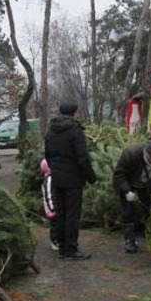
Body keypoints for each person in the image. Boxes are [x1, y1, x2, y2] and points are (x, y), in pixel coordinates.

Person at [45, 101, 97, 260]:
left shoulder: (51, 131)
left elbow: (47, 155)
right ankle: (72, 249)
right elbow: (83, 158)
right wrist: (91, 178)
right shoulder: (75, 131)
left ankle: (62, 248)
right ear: (74, 113)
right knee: (72, 215)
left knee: (60, 214)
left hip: (57, 179)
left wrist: (55, 170)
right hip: (73, 180)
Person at [112, 139, 151, 253]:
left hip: (147, 187)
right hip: (129, 184)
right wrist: (126, 191)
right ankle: (130, 240)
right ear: (145, 151)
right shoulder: (130, 153)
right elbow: (119, 175)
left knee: (149, 211)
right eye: (150, 156)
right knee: (128, 213)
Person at [40, 158, 60, 251]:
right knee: (54, 225)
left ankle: (58, 240)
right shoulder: (49, 179)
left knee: (56, 224)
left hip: (53, 207)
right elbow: (49, 195)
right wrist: (53, 208)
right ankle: (55, 241)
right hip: (52, 208)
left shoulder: (50, 178)